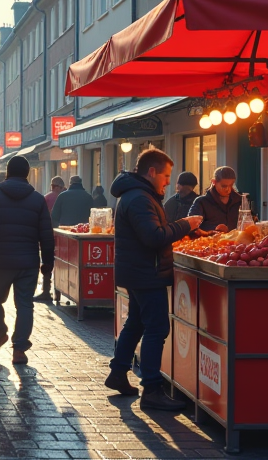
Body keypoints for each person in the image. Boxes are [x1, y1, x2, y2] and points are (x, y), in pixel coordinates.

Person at [106, 149, 202, 410]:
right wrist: (186, 224)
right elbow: (154, 237)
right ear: (151, 172)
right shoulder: (139, 198)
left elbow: (154, 231)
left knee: (135, 323)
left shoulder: (139, 195)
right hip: (146, 273)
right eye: (166, 175)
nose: (169, 181)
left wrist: (186, 229)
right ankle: (152, 389)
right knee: (157, 328)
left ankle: (118, 373)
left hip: (139, 271)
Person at [0, 156, 54, 365]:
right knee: (25, 305)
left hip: (0, 261)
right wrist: (48, 261)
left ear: (7, 172)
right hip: (28, 262)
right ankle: (19, 349)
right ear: (27, 174)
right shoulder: (37, 200)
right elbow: (46, 233)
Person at [187, 166, 242, 233]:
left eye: (231, 185)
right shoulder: (202, 202)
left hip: (237, 242)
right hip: (209, 242)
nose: (228, 189)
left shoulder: (239, 200)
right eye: (224, 186)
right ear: (214, 182)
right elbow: (190, 226)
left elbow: (250, 222)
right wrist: (211, 231)